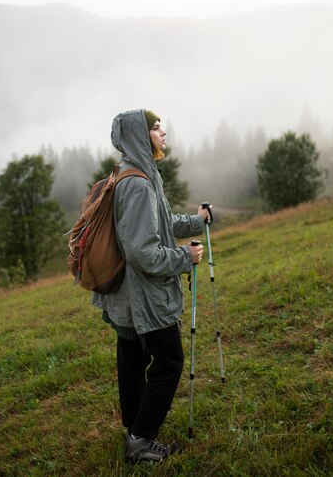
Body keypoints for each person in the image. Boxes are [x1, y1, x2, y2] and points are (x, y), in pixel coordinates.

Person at [93, 109, 211, 463]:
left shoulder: (131, 175)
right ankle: (142, 440)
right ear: (139, 136)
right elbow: (143, 251)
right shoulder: (140, 185)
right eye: (155, 127)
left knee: (132, 360)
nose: (163, 131)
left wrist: (196, 221)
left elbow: (158, 223)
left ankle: (134, 432)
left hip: (124, 296)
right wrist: (183, 259)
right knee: (169, 361)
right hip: (144, 296)